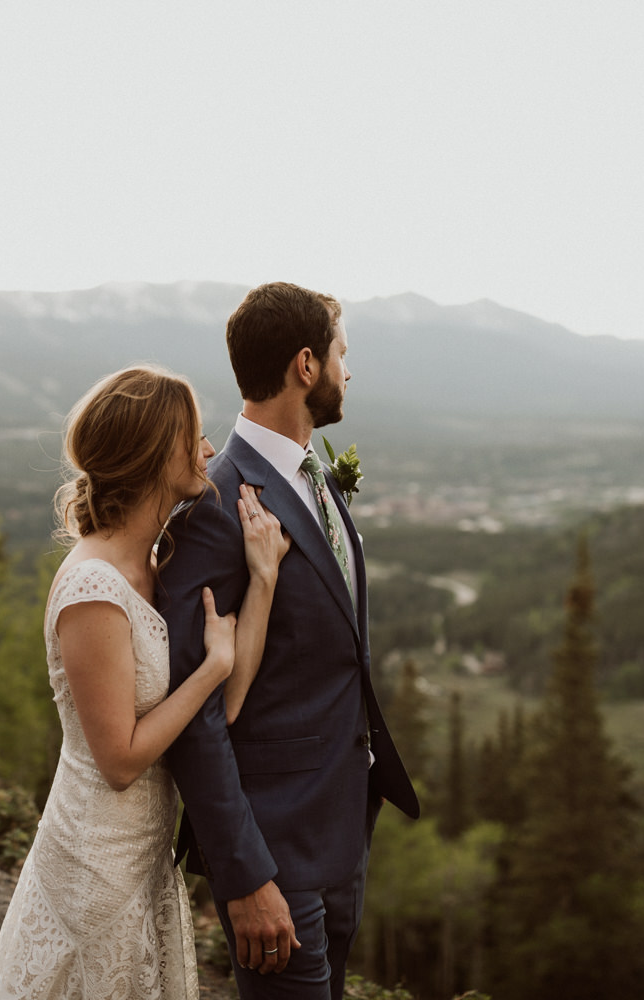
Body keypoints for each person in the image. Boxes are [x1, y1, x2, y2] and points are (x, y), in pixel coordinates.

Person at [0, 364, 290, 1000]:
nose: (208, 450)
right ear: (154, 454)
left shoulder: (153, 564)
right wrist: (208, 670)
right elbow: (119, 760)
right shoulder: (94, 589)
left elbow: (222, 708)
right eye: (194, 437)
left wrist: (262, 582)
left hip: (145, 856)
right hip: (95, 860)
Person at [158, 283, 420, 1000]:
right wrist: (244, 877)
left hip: (341, 830)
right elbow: (196, 713)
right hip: (273, 856)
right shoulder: (217, 504)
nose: (348, 369)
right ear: (306, 366)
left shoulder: (313, 473)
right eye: (342, 353)